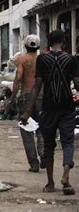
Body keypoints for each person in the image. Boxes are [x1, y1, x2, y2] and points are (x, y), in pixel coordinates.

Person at [21, 30, 79, 195]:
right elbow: (77, 84)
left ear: (48, 42)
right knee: (68, 142)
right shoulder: (71, 59)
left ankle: (51, 183)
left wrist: (28, 111)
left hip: (48, 107)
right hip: (67, 107)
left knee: (49, 145)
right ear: (63, 41)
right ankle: (66, 177)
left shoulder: (42, 59)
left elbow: (37, 86)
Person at [9, 34, 44, 172]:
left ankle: (34, 163)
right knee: (42, 127)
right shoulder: (43, 59)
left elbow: (18, 78)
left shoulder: (22, 59)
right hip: (41, 96)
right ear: (39, 46)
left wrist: (12, 99)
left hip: (25, 97)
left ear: (25, 45)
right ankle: (44, 153)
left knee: (26, 130)